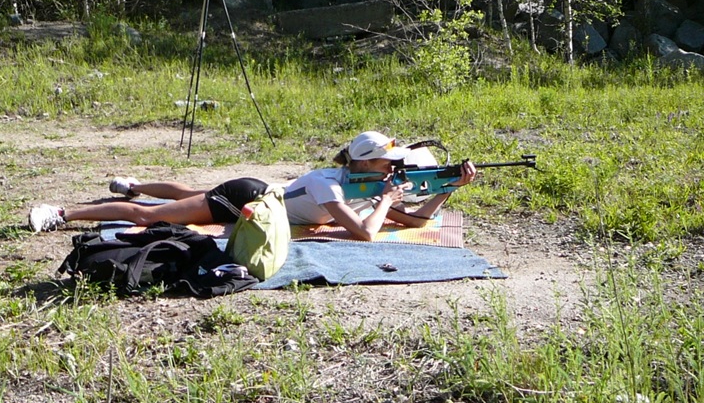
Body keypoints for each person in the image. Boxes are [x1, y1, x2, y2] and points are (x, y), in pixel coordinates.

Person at [27, 131, 476, 241]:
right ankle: (63, 212)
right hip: (250, 199)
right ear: (363, 162)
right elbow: (364, 234)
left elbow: (419, 219)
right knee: (152, 217)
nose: (392, 170)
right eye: (387, 163)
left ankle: (135, 183)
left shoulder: (361, 189)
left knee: (188, 195)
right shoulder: (331, 187)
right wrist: (387, 202)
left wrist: (449, 185)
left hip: (263, 195)